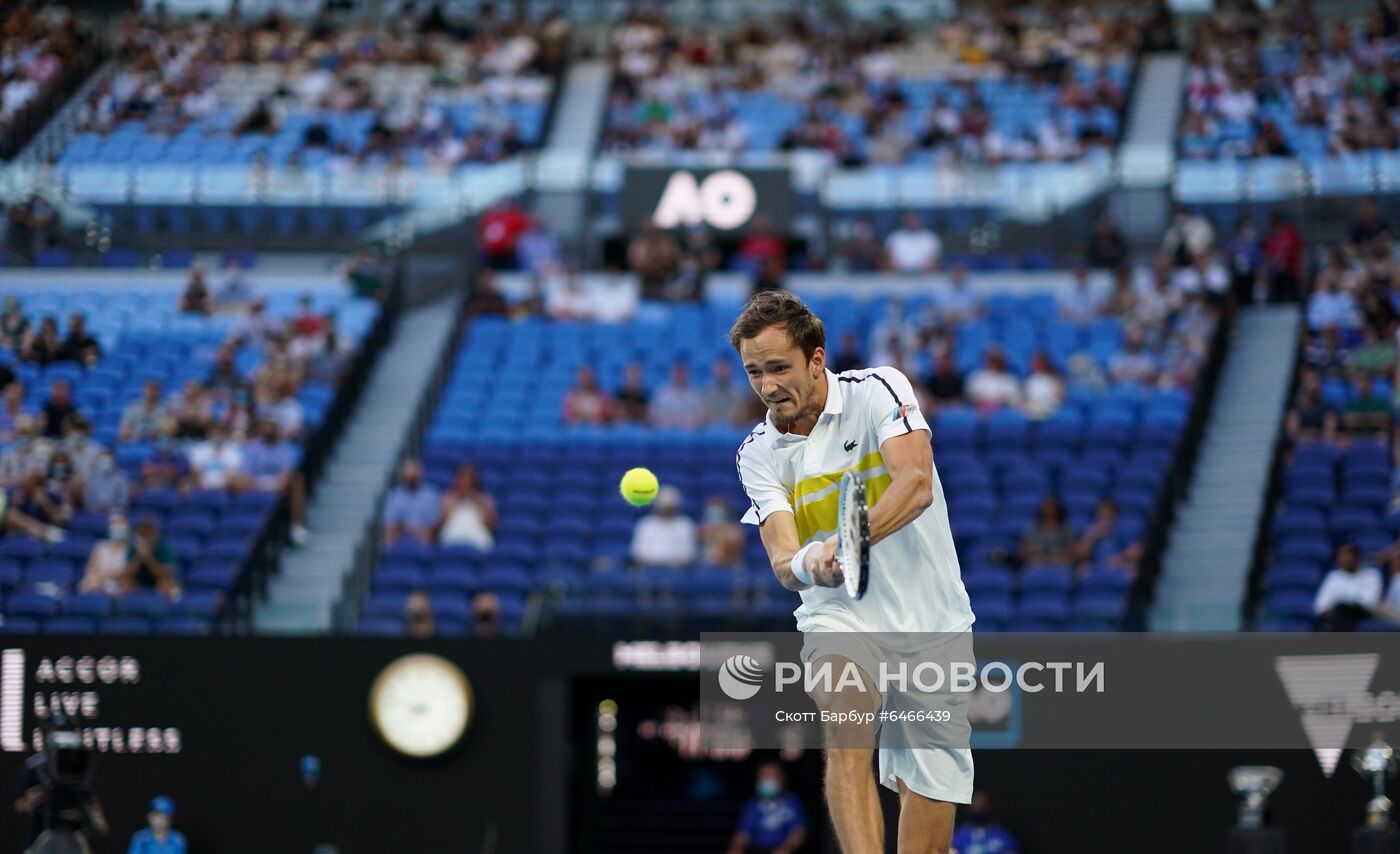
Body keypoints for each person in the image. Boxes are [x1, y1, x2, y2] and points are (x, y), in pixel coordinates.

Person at [731, 291, 974, 852]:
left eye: (779, 368)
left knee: (928, 823)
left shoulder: (878, 391)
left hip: (932, 621)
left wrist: (846, 542)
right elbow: (783, 563)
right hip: (839, 618)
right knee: (845, 731)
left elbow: (913, 484)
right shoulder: (758, 453)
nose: (767, 386)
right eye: (754, 372)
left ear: (816, 360)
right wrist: (807, 564)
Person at [244, 421, 309, 545]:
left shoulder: (284, 448)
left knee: (296, 480)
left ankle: (295, 526)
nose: (268, 429)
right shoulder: (252, 447)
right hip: (255, 483)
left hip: (278, 484)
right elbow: (246, 472)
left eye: (271, 426)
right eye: (265, 426)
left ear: (276, 429)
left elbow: (287, 471)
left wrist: (278, 484)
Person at [726, 762, 807, 854]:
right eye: (763, 776)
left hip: (783, 849)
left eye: (771, 776)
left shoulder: (792, 803)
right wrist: (736, 848)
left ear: (782, 779)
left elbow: (798, 832)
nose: (767, 781)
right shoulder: (752, 806)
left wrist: (786, 848)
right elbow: (742, 834)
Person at [1315, 543, 1383, 631]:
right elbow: (1320, 604)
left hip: (1361, 613)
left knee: (1342, 610)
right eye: (1341, 557)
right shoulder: (1333, 576)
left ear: (1356, 558)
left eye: (1347, 556)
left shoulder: (1371, 575)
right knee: (1319, 623)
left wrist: (1342, 603)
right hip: (1335, 614)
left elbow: (1369, 601)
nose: (1344, 560)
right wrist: (1329, 609)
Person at [629, 485, 698, 567]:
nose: (666, 510)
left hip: (678, 571)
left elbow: (690, 553)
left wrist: (674, 562)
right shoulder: (645, 524)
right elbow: (637, 551)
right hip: (649, 569)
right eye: (663, 506)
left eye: (669, 507)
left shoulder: (686, 525)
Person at [383, 459, 442, 546]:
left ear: (420, 473)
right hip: (399, 538)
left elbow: (434, 524)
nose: (411, 476)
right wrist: (408, 530)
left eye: (414, 473)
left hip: (424, 539)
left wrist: (416, 531)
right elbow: (390, 524)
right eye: (408, 473)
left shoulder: (431, 495)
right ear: (403, 474)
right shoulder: (394, 496)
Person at [438, 464, 497, 551]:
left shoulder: (484, 499)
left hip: (478, 540)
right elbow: (444, 520)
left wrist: (475, 499)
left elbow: (491, 524)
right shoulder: (449, 497)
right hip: (452, 538)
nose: (464, 481)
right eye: (462, 477)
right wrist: (457, 498)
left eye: (467, 478)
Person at [122, 516, 178, 598]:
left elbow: (166, 573)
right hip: (138, 580)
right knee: (125, 582)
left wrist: (148, 558)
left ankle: (162, 608)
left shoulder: (163, 546)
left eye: (149, 533)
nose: (146, 536)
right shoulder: (134, 546)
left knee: (165, 584)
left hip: (157, 580)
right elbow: (127, 572)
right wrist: (138, 557)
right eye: (143, 533)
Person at [950, 791, 1020, 854]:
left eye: (982, 804)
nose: (979, 807)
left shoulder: (1003, 836)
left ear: (988, 806)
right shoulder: (958, 837)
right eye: (976, 804)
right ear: (969, 807)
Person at [80, 514, 130, 596]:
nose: (117, 527)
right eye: (114, 524)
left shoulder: (130, 549)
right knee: (89, 582)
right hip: (97, 581)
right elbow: (90, 569)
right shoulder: (100, 546)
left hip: (118, 584)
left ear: (126, 528)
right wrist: (100, 578)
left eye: (120, 524)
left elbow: (126, 573)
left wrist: (106, 576)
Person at [187, 424, 248, 492]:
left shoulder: (232, 450)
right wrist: (203, 484)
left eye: (221, 432)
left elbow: (233, 473)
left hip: (225, 486)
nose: (218, 435)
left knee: (240, 482)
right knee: (185, 483)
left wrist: (223, 485)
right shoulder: (201, 448)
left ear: (225, 434)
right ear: (210, 433)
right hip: (202, 483)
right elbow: (195, 470)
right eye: (216, 432)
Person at [1020, 498, 1076, 566]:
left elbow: (1072, 550)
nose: (1050, 511)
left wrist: (1055, 558)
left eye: (1052, 507)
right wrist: (1041, 558)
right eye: (1047, 507)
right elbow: (1025, 550)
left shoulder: (1066, 529)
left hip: (1061, 562)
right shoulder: (1033, 528)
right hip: (1037, 561)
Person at [650, 363, 705, 430]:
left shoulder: (695, 395)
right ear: (671, 375)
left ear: (687, 375)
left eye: (682, 374)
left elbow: (700, 417)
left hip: (689, 434)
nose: (679, 376)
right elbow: (654, 416)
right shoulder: (661, 394)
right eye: (677, 373)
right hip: (665, 433)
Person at [966, 348, 1021, 413]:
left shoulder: (1010, 379)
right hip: (980, 412)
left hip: (1003, 412)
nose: (994, 363)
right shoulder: (976, 377)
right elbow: (971, 395)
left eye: (997, 360)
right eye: (991, 359)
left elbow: (1014, 399)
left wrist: (999, 402)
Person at [700, 496, 745, 569]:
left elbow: (736, 548)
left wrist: (723, 537)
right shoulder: (704, 529)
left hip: (731, 566)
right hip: (708, 566)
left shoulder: (734, 530)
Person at [703, 358, 750, 426]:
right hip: (712, 427)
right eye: (720, 370)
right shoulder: (708, 391)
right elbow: (705, 414)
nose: (722, 373)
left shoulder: (737, 391)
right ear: (715, 371)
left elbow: (741, 414)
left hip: (733, 427)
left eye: (724, 370)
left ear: (730, 371)